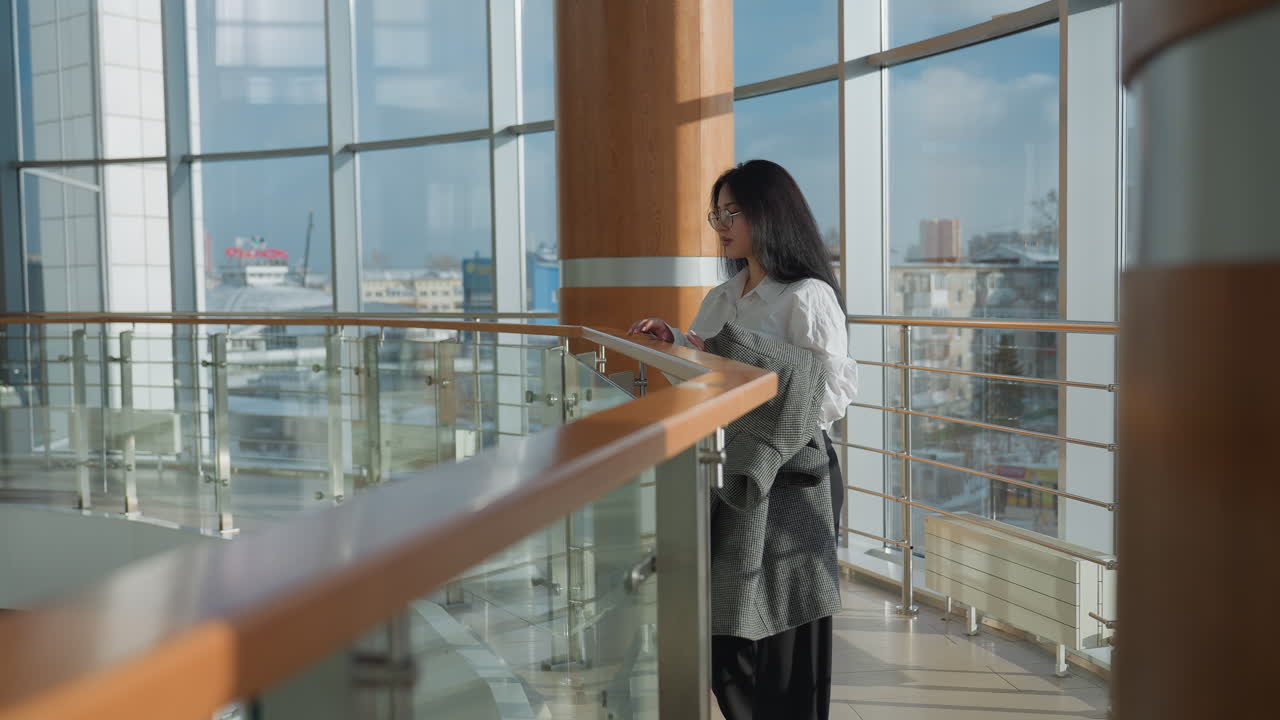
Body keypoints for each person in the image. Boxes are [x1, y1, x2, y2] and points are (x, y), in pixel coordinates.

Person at [628, 159, 858, 720]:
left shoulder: (805, 296)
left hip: (795, 480)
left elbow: (836, 392)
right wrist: (673, 347)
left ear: (770, 214)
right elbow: (706, 374)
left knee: (784, 649)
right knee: (726, 637)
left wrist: (761, 398)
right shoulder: (722, 298)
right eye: (718, 212)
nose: (723, 223)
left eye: (735, 211)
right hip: (736, 475)